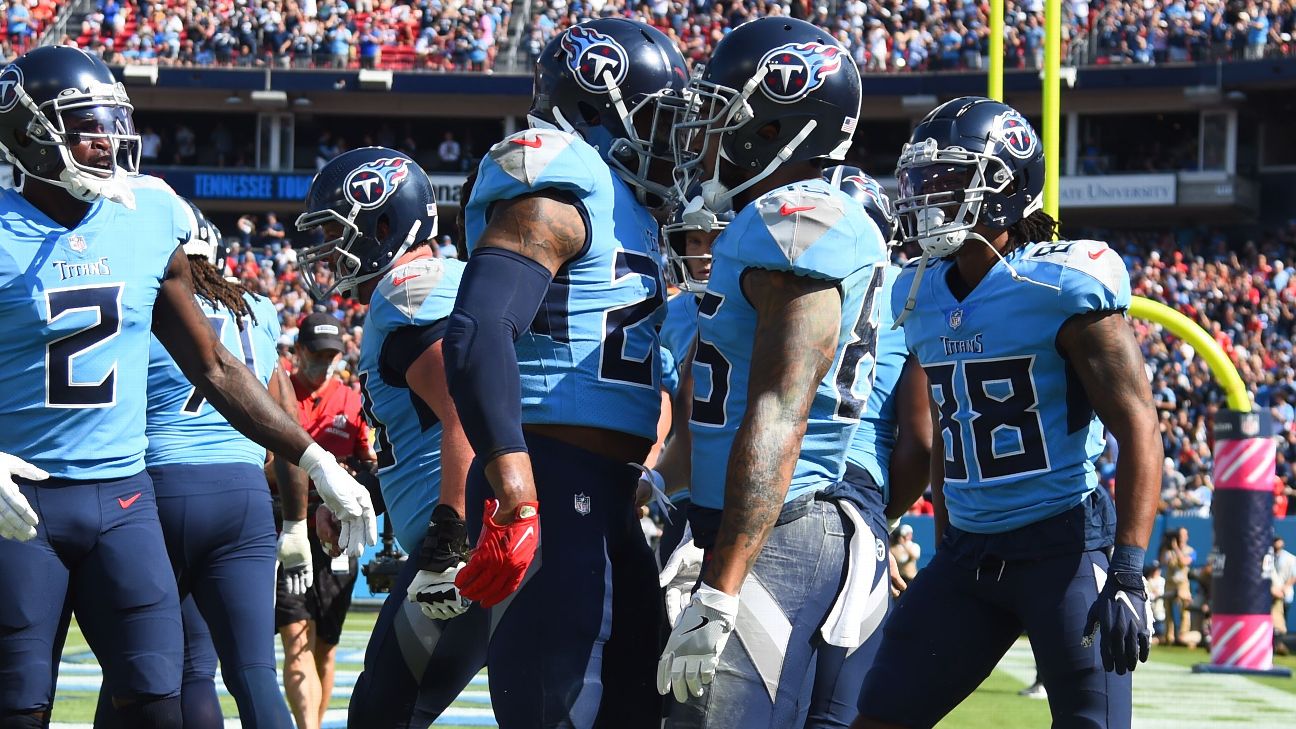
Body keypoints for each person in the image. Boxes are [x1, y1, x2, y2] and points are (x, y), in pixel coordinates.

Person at [0, 45, 375, 729]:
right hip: (21, 503)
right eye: (86, 124)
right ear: (29, 133)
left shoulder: (148, 212)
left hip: (125, 498)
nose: (108, 138)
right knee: (18, 704)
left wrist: (314, 458)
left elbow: (217, 365)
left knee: (159, 702)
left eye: (112, 119)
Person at [852, 96, 1162, 729]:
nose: (927, 195)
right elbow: (945, 429)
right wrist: (945, 546)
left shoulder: (1061, 285)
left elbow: (1140, 428)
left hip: (1063, 547)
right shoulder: (921, 290)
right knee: (879, 715)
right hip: (970, 554)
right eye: (922, 178)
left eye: (948, 177)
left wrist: (1128, 570)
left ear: (1002, 185)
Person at [446, 17, 686, 727]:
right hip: (549, 476)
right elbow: (478, 327)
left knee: (638, 709)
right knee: (558, 710)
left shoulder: (633, 209)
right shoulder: (561, 174)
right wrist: (516, 491)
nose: (673, 139)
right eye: (659, 118)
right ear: (595, 107)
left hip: (607, 493)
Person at [655, 18, 888, 727]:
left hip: (779, 526)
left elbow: (780, 412)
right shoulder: (777, 218)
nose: (707, 135)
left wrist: (721, 586)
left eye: (725, 114)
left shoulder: (796, 218)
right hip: (761, 520)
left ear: (775, 124)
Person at [294, 146, 488, 727]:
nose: (329, 250)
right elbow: (425, 433)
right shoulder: (430, 285)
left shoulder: (407, 290)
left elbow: (466, 412)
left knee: (384, 712)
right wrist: (366, 494)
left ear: (384, 226)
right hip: (487, 523)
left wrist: (447, 540)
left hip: (467, 540)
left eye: (337, 231)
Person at [94, 198, 301, 729]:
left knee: (152, 669)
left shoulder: (149, 303)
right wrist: (296, 519)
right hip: (244, 495)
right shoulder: (262, 311)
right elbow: (282, 411)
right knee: (254, 672)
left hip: (158, 490)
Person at [808, 166, 932, 729]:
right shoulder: (908, 299)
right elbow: (920, 445)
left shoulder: (776, 273)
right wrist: (878, 524)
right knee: (839, 709)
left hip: (775, 486)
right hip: (856, 494)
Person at [276, 311, 375, 729]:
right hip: (289, 526)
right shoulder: (277, 391)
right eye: (316, 354)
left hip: (338, 535)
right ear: (298, 351)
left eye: (331, 356)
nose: (323, 363)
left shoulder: (351, 401)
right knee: (296, 636)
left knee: (326, 648)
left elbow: (370, 463)